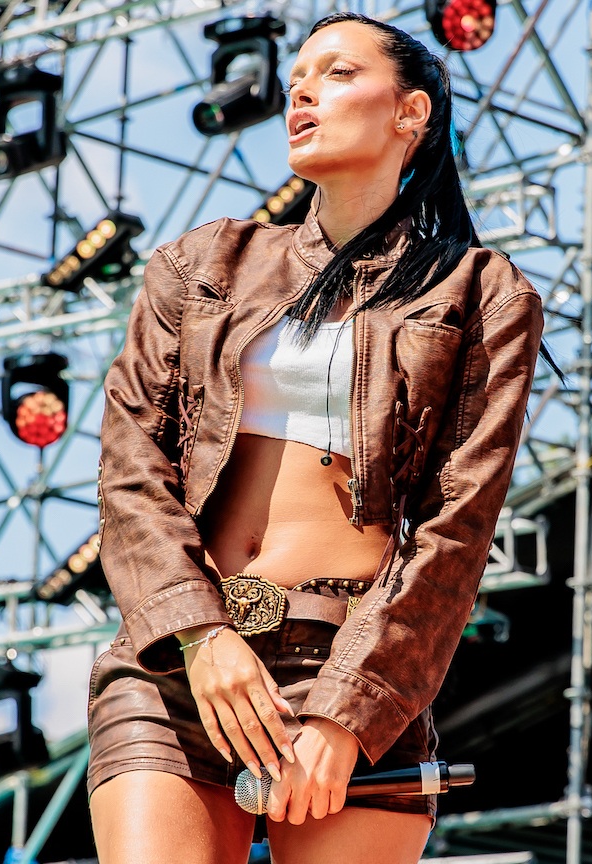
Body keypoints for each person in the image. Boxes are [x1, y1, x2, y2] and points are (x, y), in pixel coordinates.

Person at [86, 11, 545, 864]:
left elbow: (457, 527)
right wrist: (201, 635)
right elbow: (130, 474)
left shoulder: (479, 292)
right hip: (183, 663)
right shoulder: (204, 265)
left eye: (337, 73)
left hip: (348, 658)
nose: (302, 93)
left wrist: (350, 710)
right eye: (297, 79)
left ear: (410, 112)